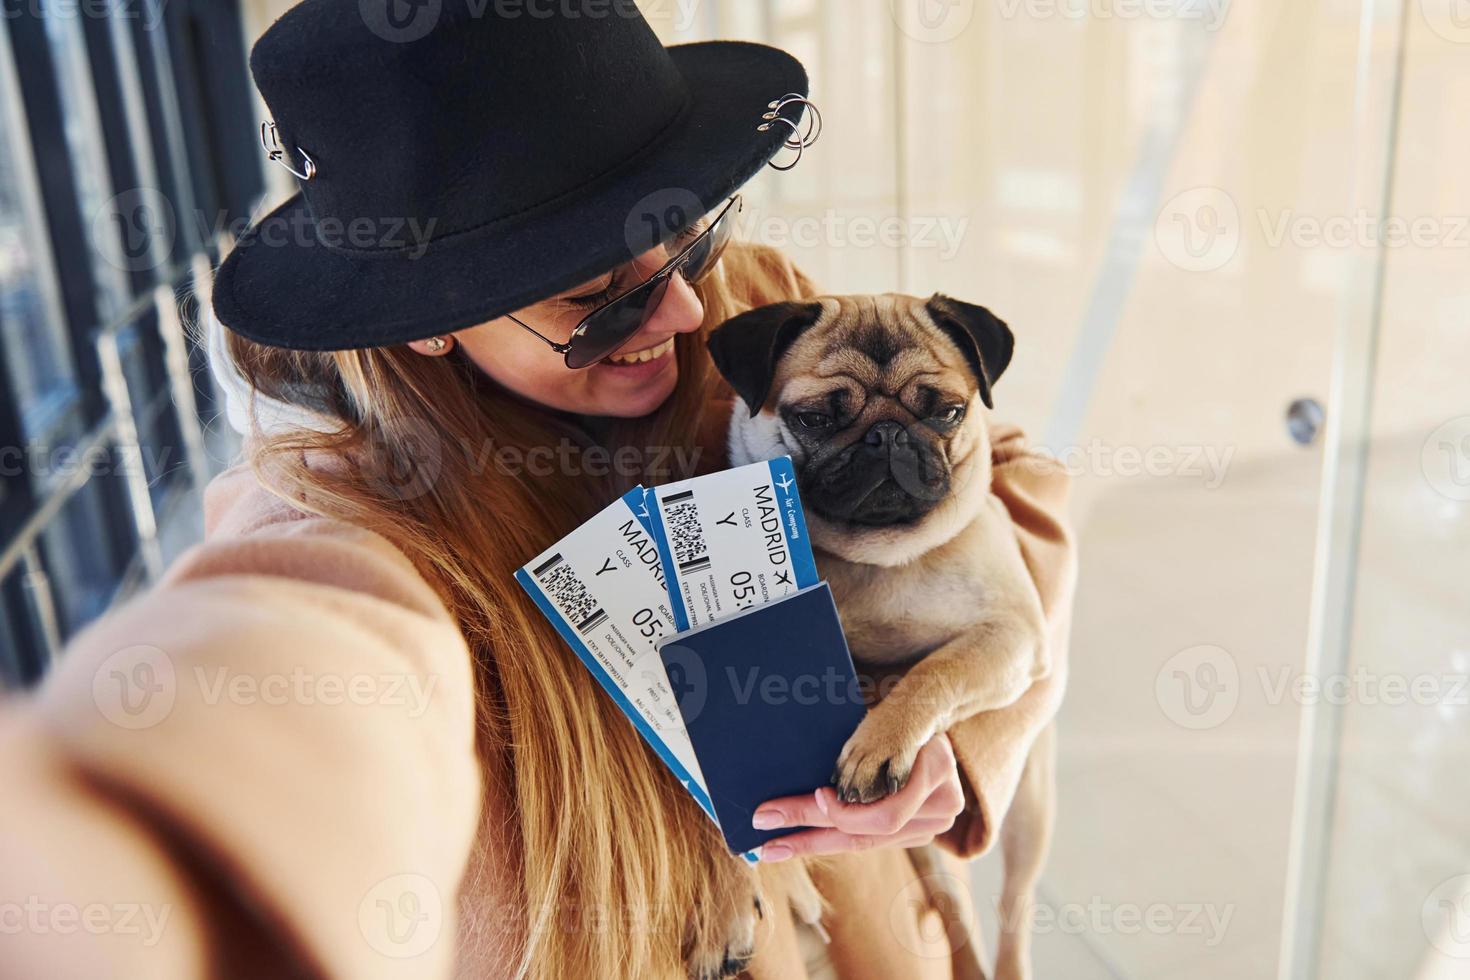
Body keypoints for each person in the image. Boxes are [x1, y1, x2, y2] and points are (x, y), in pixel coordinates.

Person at [0, 3, 1074, 978]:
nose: (681, 318)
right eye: (595, 298)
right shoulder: (349, 504)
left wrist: (946, 732)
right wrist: (122, 849)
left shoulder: (763, 309)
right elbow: (304, 651)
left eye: (688, 240)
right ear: (425, 311)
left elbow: (1013, 475)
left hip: (867, 933)